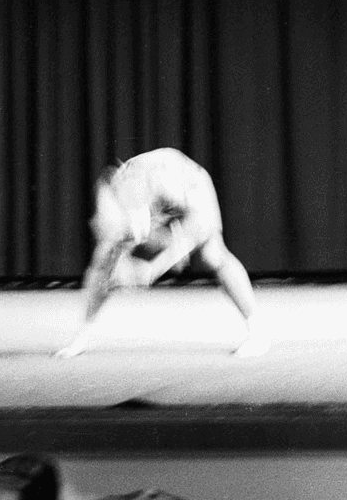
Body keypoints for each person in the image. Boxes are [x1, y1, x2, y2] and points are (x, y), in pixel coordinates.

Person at [55, 148, 269, 358]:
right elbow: (101, 265)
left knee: (213, 254)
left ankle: (258, 332)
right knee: (105, 263)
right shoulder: (111, 202)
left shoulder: (167, 181)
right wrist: (121, 265)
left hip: (192, 188)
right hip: (151, 206)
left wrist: (154, 268)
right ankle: (81, 337)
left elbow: (199, 228)